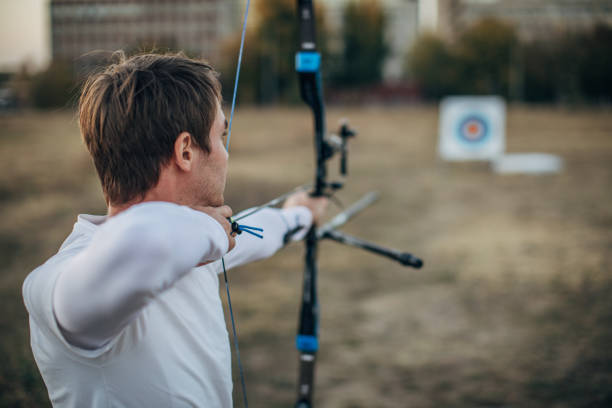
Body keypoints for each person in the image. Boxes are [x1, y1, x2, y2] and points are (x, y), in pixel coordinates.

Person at [22, 52, 328, 407]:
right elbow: (153, 246)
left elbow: (254, 233)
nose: (225, 154)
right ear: (185, 151)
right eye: (220, 136)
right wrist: (209, 230)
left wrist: (298, 216)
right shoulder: (58, 286)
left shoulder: (193, 240)